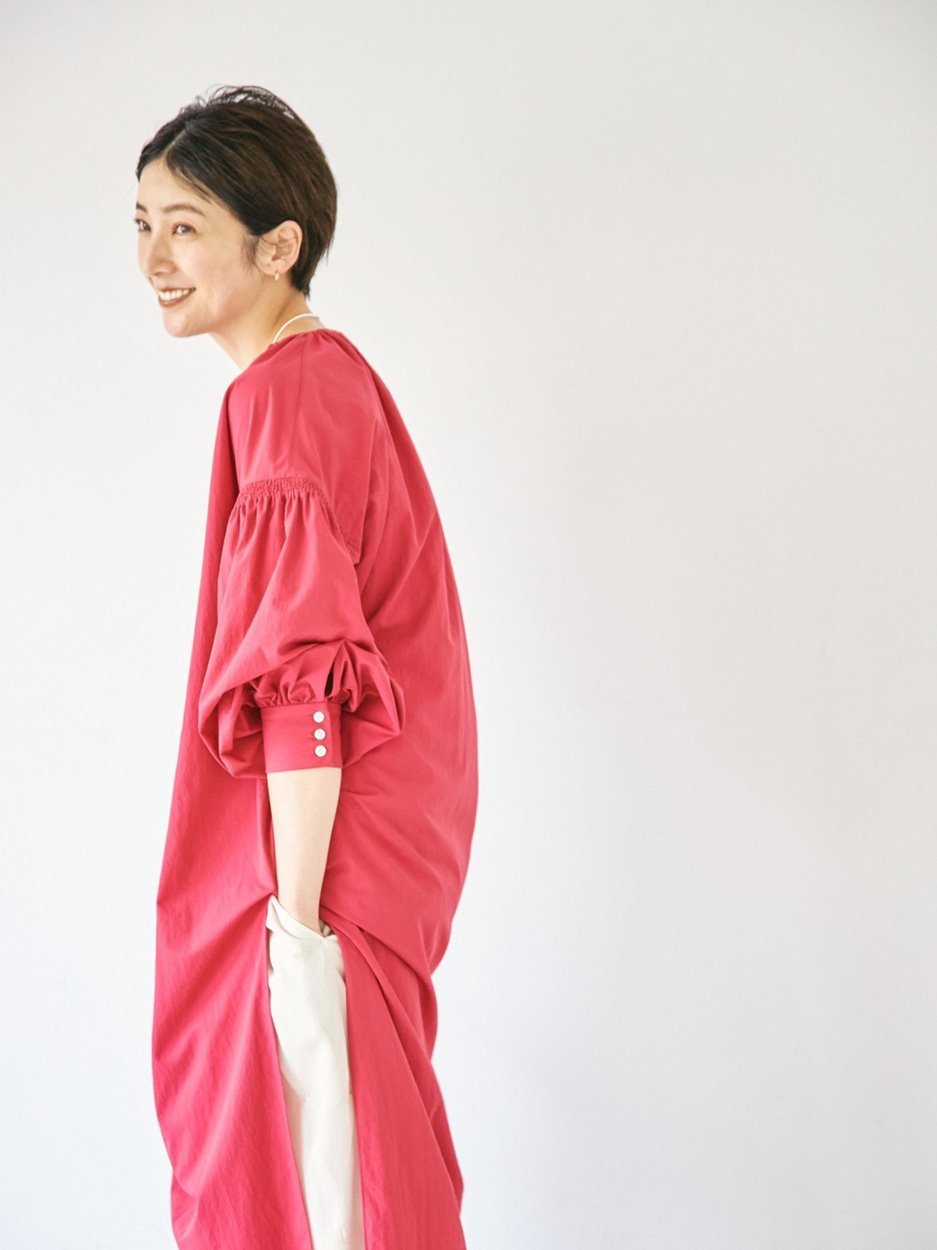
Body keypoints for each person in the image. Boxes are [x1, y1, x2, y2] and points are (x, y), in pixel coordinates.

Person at [139, 85, 478, 1250]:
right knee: (355, 1181)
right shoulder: (323, 381)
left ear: (276, 245)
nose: (154, 258)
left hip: (321, 876)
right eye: (142, 224)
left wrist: (295, 925)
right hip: (363, 864)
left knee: (323, 1199)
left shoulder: (288, 392)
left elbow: (302, 682)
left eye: (186, 225)